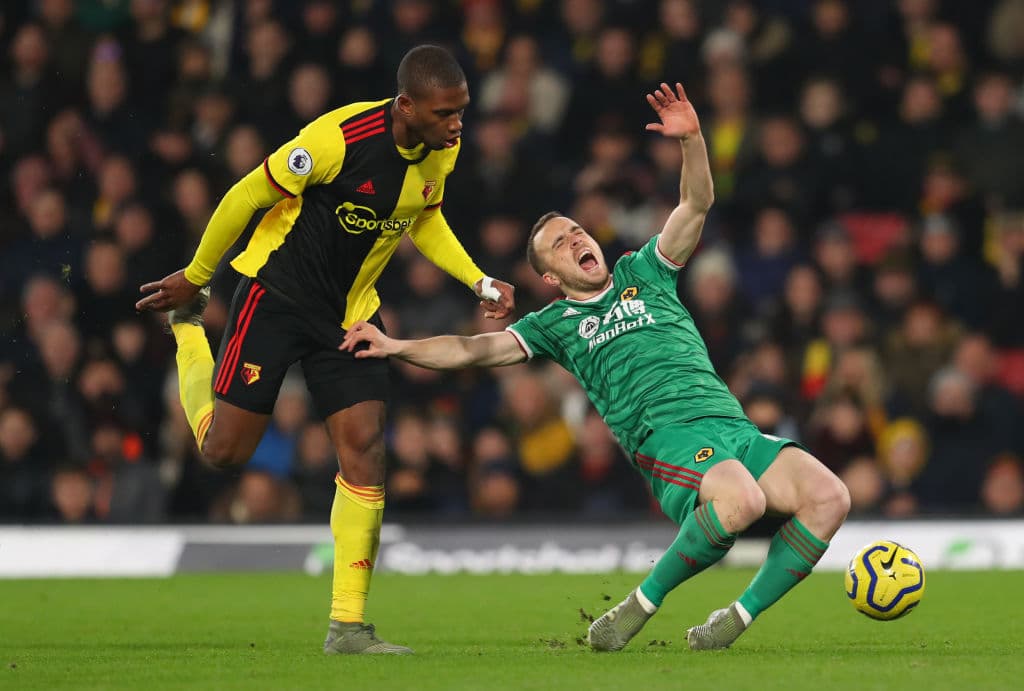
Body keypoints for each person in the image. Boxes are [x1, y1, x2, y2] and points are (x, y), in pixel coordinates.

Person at [341, 82, 850, 652]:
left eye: (577, 230)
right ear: (552, 277)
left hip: (730, 425)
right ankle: (638, 607)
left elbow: (696, 204)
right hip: (668, 438)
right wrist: (395, 345)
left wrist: (693, 141)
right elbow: (470, 350)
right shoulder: (553, 324)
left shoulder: (644, 273)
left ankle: (735, 618)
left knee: (830, 496)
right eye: (560, 243)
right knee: (744, 503)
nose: (576, 238)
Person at [135, 45, 515, 655]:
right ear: (407, 105)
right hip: (276, 297)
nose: (458, 124)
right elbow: (245, 194)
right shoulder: (338, 137)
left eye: (462, 111)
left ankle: (348, 626)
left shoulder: (443, 148)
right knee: (223, 451)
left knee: (363, 448)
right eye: (447, 113)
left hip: (350, 314)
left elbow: (423, 215)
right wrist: (198, 275)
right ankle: (186, 327)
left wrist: (476, 278)